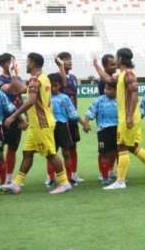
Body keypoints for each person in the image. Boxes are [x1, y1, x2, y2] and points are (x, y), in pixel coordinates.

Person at [0, 53, 72, 195]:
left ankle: (64, 182)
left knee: (50, 154)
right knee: (27, 153)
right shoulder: (43, 78)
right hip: (37, 124)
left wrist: (13, 116)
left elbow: (30, 100)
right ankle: (17, 184)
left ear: (32, 63)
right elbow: (18, 89)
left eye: (27, 61)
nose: (26, 64)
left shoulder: (35, 80)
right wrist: (13, 73)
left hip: (41, 123)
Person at [93, 48, 145, 190]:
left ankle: (120, 181)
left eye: (116, 57)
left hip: (128, 116)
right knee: (133, 147)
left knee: (122, 146)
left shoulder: (128, 75)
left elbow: (134, 95)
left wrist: (130, 116)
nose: (115, 59)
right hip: (126, 116)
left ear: (120, 59)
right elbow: (107, 79)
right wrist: (96, 65)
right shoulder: (122, 75)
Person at [49, 73, 90, 186]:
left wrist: (84, 124)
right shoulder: (44, 98)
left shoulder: (65, 98)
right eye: (51, 86)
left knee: (66, 153)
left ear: (59, 85)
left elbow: (73, 114)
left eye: (56, 85)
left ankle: (69, 177)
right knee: (51, 154)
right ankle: (51, 179)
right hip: (49, 128)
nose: (53, 88)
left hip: (62, 127)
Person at [0, 53, 26, 185]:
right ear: (3, 64)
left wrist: (26, 117)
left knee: (13, 148)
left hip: (17, 117)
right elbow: (11, 90)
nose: (13, 64)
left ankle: (8, 178)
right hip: (3, 118)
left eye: (14, 61)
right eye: (11, 62)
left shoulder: (18, 78)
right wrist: (14, 76)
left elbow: (22, 92)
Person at [56, 52, 84, 184]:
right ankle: (52, 177)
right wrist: (60, 65)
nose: (70, 62)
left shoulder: (73, 77)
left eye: (70, 59)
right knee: (58, 149)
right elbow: (63, 82)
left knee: (73, 147)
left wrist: (76, 112)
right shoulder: (57, 78)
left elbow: (75, 97)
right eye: (66, 60)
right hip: (61, 118)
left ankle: (74, 174)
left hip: (72, 118)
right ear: (60, 62)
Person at [84, 82, 119, 185]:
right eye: (106, 89)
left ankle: (116, 173)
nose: (107, 91)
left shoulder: (121, 100)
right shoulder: (99, 100)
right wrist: (86, 123)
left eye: (110, 89)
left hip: (118, 130)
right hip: (103, 130)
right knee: (104, 153)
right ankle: (104, 176)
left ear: (117, 90)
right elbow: (90, 112)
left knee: (117, 152)